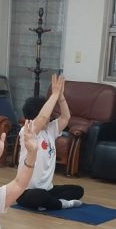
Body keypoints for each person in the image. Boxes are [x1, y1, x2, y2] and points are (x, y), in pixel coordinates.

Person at [16, 73, 84, 211]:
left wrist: (60, 97)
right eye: (48, 114)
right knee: (38, 196)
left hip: (47, 189)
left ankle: (49, 202)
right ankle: (62, 204)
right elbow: (42, 117)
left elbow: (66, 117)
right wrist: (53, 95)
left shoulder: (50, 129)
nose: (50, 117)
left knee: (78, 190)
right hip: (25, 191)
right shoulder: (28, 131)